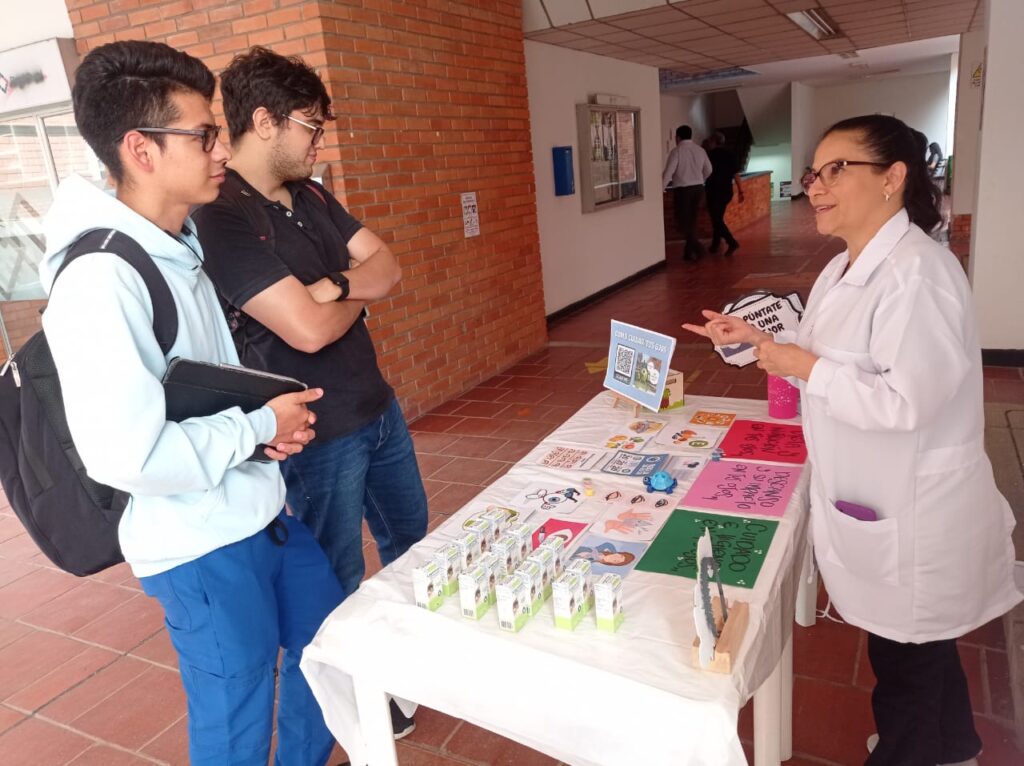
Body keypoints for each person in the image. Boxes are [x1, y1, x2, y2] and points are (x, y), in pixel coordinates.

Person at [40, 41, 344, 765]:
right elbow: (129, 456)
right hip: (197, 545)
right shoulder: (100, 279)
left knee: (326, 654)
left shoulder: (177, 244)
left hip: (257, 512)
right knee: (236, 716)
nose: (221, 149)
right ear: (140, 149)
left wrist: (260, 432)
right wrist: (255, 429)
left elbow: (201, 390)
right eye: (204, 133)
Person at [684, 114, 1021, 766]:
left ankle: (912, 754)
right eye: (814, 172)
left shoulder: (916, 274)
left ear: (893, 178)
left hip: (916, 511)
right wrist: (755, 343)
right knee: (920, 645)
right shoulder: (846, 266)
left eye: (838, 169)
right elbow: (810, 353)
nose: (816, 186)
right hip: (880, 495)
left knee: (906, 658)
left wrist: (799, 366)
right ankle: (956, 749)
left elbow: (905, 402)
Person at [194, 47, 428, 603]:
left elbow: (388, 268)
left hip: (378, 408)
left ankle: (410, 665)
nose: (319, 141)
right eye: (310, 126)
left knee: (414, 546)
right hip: (315, 430)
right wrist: (352, 287)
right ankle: (345, 690)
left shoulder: (312, 194)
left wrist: (335, 287)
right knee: (336, 575)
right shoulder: (221, 213)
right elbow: (308, 331)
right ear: (264, 121)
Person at [662, 125, 712, 261]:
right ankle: (688, 253)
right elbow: (709, 169)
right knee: (692, 219)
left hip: (683, 190)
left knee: (683, 221)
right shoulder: (700, 150)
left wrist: (661, 188)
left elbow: (668, 172)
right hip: (698, 189)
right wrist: (701, 179)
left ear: (678, 137)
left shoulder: (676, 151)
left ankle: (699, 249)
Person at [704, 131, 745, 255]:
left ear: (713, 141)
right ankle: (715, 245)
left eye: (710, 141)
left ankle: (731, 242)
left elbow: (704, 173)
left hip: (713, 191)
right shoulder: (730, 154)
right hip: (727, 191)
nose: (709, 143)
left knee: (716, 219)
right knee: (718, 218)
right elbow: (736, 174)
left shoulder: (709, 155)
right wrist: (740, 190)